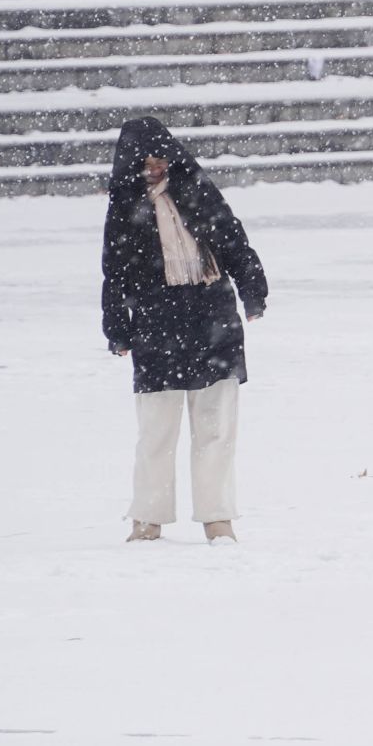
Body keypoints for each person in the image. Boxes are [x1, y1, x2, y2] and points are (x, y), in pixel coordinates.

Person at [102, 118, 268, 545]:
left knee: (216, 425)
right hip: (157, 322)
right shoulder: (124, 205)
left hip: (211, 313)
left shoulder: (196, 187)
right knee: (156, 429)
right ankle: (147, 518)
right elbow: (115, 272)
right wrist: (117, 328)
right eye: (145, 158)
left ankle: (218, 518)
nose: (154, 165)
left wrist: (253, 292)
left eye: (159, 155)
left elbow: (232, 238)